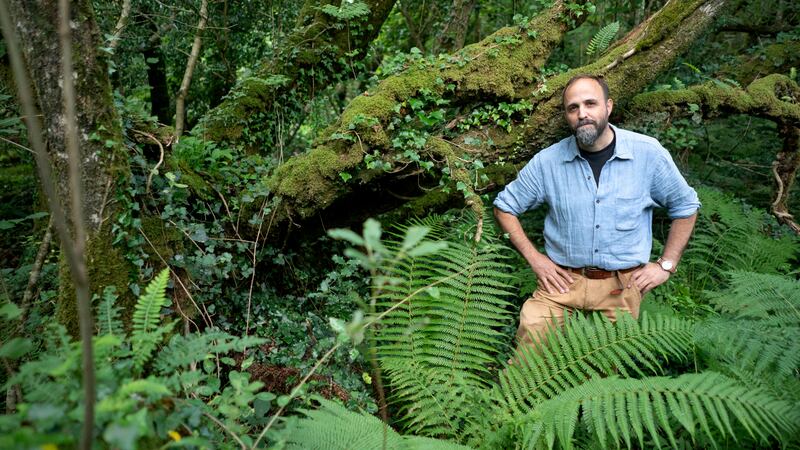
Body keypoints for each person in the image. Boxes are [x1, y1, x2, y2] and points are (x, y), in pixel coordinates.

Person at [493, 74, 700, 350]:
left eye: (590, 104)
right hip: (560, 284)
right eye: (573, 108)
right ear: (566, 115)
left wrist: (666, 265)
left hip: (621, 287)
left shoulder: (647, 154)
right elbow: (505, 206)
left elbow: (685, 206)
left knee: (605, 374)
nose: (582, 114)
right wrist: (535, 259)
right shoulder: (548, 162)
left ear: (608, 107)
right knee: (529, 361)